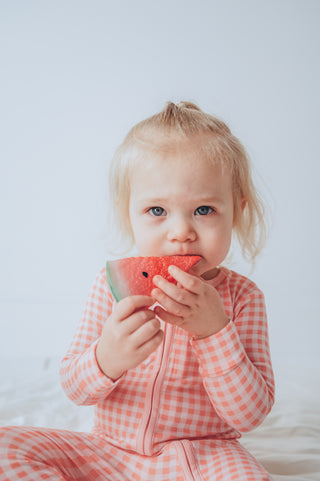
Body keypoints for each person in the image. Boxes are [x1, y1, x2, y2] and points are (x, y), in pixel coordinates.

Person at [0, 101, 275, 480]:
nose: (181, 232)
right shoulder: (109, 286)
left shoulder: (244, 298)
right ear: (128, 212)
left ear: (237, 211)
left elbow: (251, 414)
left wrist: (215, 332)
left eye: (205, 209)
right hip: (109, 451)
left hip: (206, 454)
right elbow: (75, 389)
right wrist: (107, 358)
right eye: (157, 211)